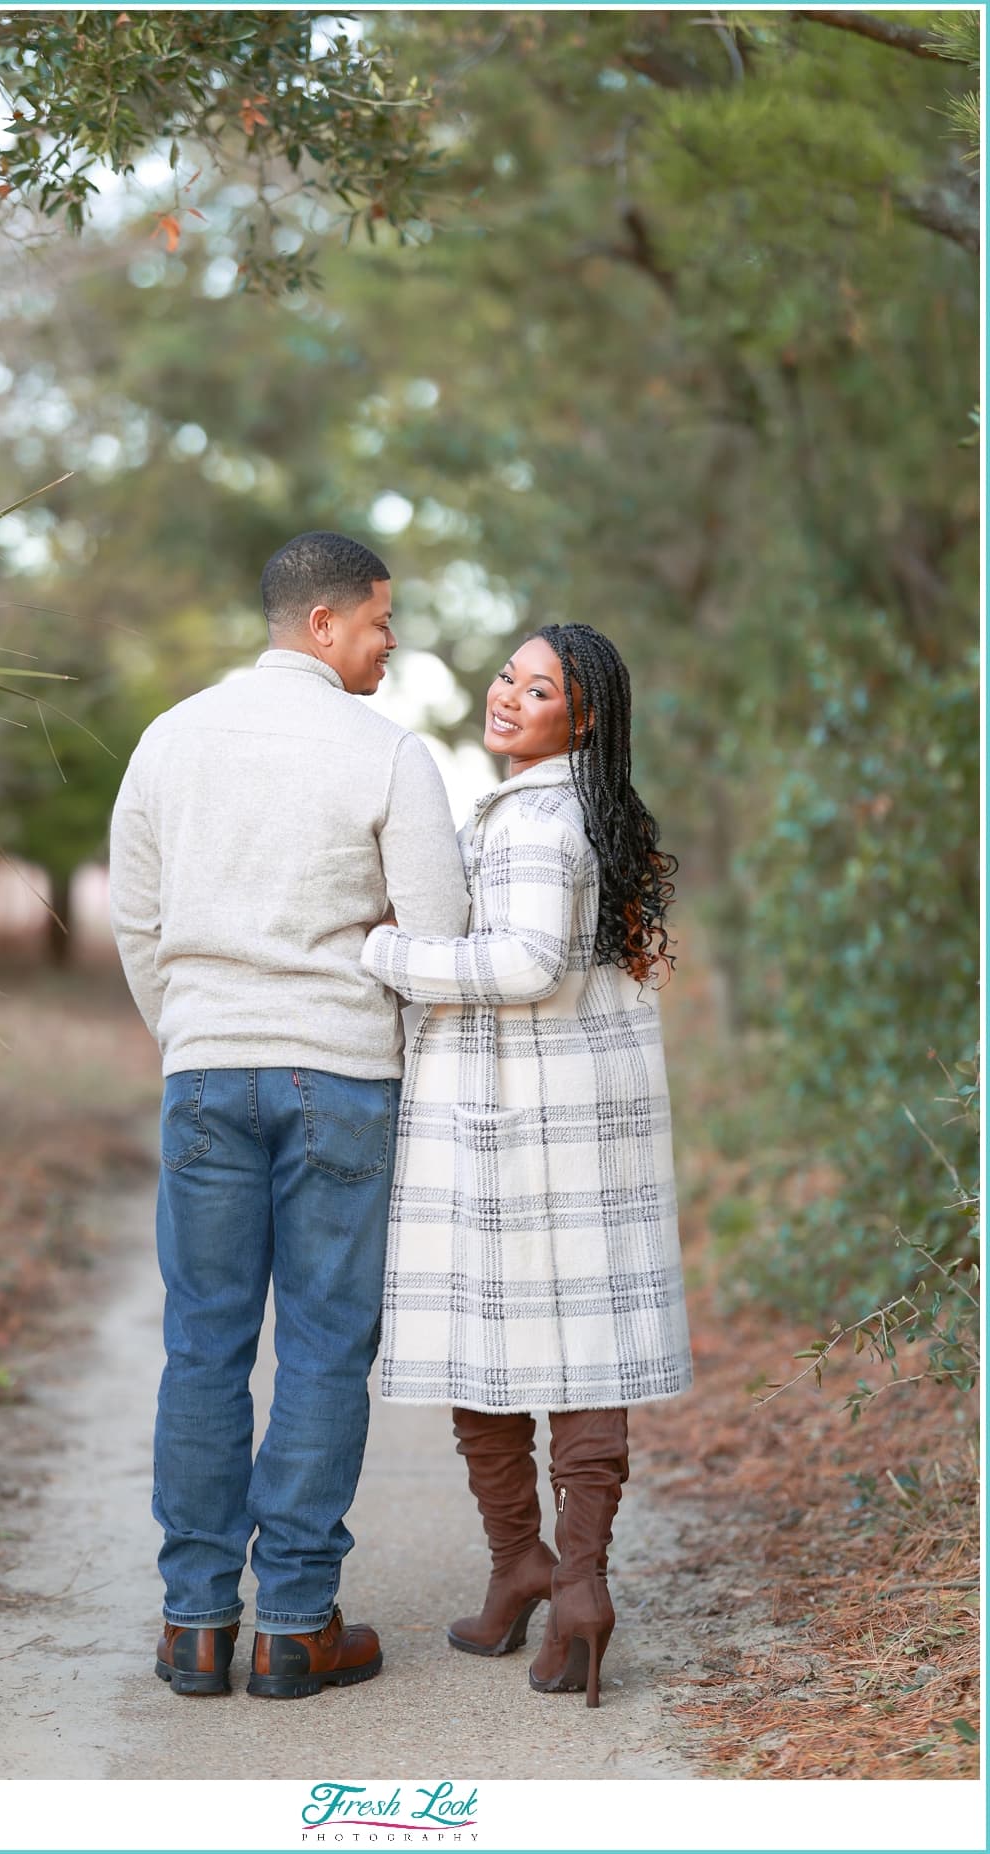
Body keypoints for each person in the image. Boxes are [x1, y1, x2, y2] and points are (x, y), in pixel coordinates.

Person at [109, 532, 469, 1701]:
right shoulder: (387, 755)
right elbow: (436, 944)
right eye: (379, 619)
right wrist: (391, 1060)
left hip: (205, 1070)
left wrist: (193, 1033)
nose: (391, 638)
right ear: (322, 624)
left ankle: (195, 1626)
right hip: (339, 1080)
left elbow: (136, 923)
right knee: (322, 1344)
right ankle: (297, 1626)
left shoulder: (170, 741)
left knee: (202, 1344)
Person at [361, 623, 692, 1708]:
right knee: (573, 1348)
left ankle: (556, 1575)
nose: (508, 694)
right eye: (509, 674)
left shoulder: (541, 820)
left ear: (581, 719)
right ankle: (545, 1578)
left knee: (486, 1343)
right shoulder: (574, 810)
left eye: (539, 688)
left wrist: (388, 955)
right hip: (575, 1119)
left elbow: (525, 963)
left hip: (517, 1120)